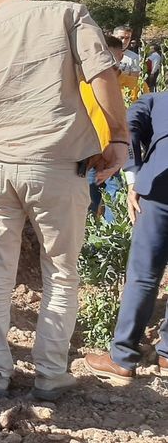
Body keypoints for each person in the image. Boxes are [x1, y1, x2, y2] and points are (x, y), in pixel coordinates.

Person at [0, 0, 129, 401]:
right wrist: (119, 138)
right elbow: (102, 73)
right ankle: (50, 374)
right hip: (55, 163)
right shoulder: (66, 13)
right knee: (61, 273)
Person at [84, 92, 168, 383]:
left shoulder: (156, 101)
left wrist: (134, 175)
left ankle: (122, 358)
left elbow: (127, 129)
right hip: (158, 185)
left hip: (159, 187)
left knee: (144, 275)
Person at [80, 34, 147, 223]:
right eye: (107, 57)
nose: (112, 64)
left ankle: (111, 247)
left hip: (123, 156)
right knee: (88, 205)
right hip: (91, 155)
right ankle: (89, 248)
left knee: (115, 202)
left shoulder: (133, 85)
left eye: (117, 58)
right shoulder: (83, 85)